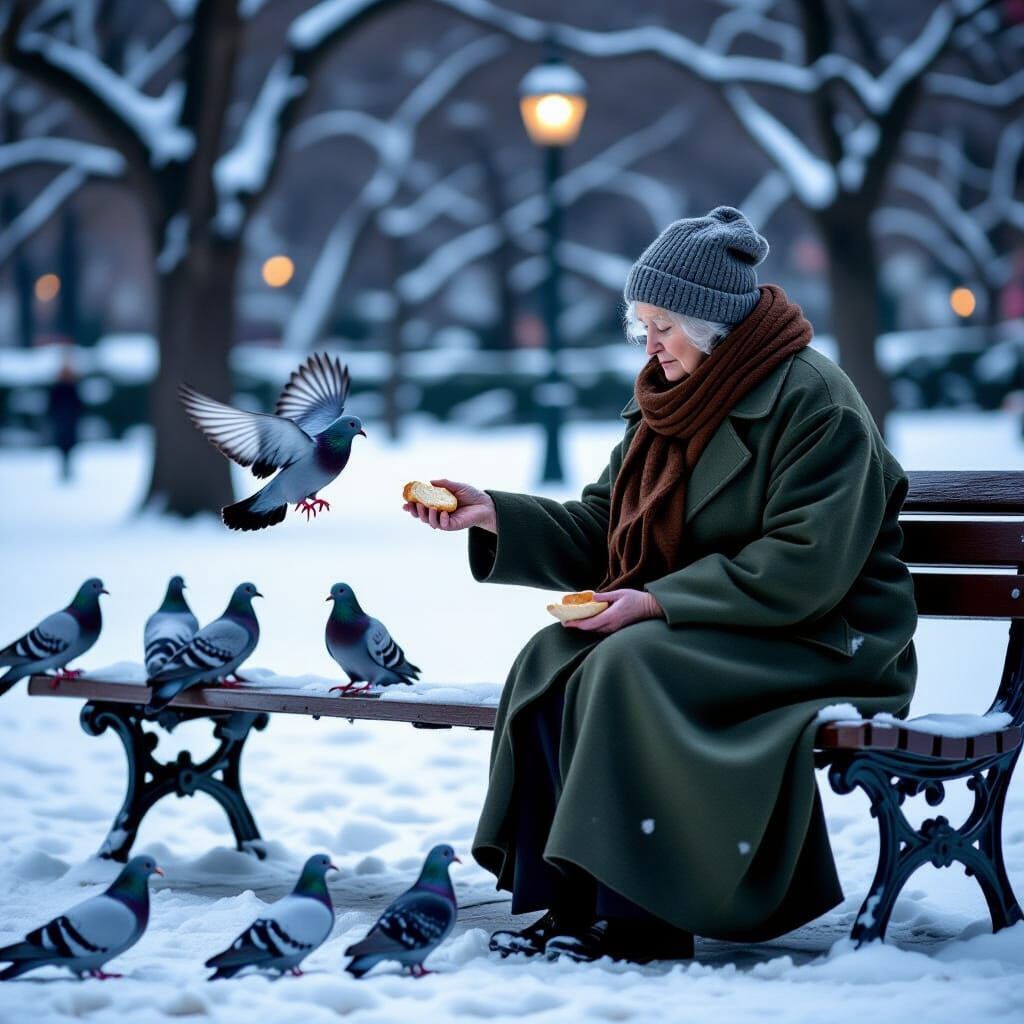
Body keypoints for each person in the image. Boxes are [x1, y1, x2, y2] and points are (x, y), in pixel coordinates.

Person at [403, 206, 918, 964]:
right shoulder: (669, 399)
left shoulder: (818, 401)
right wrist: (495, 517)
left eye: (663, 325)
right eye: (640, 323)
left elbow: (806, 564)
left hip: (822, 637)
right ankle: (568, 905)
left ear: (713, 323)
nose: (649, 344)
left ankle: (643, 917)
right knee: (555, 656)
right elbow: (608, 528)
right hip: (720, 625)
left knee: (625, 662)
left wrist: (659, 601)